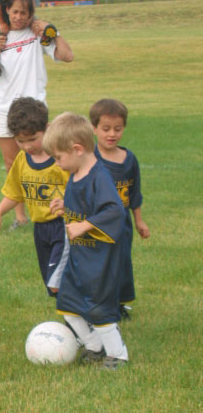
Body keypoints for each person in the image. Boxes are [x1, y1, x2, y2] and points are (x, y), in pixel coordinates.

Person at [0, 0, 73, 228]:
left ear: (31, 13)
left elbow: (67, 56)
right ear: (6, 11)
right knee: (12, 164)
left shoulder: (37, 34)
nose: (19, 17)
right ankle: (20, 217)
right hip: (4, 107)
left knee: (49, 158)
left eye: (23, 12)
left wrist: (54, 33)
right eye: (14, 12)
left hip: (34, 107)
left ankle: (55, 206)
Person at [45, 112, 129, 371]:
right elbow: (84, 206)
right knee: (68, 305)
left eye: (59, 157)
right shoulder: (77, 172)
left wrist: (85, 225)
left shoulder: (99, 177)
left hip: (99, 260)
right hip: (80, 257)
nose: (57, 163)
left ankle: (118, 355)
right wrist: (65, 206)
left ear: (77, 149)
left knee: (98, 308)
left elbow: (114, 211)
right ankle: (94, 346)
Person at [0, 97, 69, 296]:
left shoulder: (60, 159)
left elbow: (81, 187)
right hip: (40, 229)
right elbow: (15, 193)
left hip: (63, 226)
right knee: (52, 284)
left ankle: (86, 310)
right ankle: (73, 312)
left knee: (58, 281)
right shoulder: (22, 160)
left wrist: (69, 204)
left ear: (47, 129)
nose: (26, 146)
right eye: (20, 141)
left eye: (32, 139)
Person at [89, 98, 150, 316]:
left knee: (121, 263)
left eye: (118, 129)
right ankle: (97, 304)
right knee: (99, 265)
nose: (112, 134)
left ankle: (119, 304)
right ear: (94, 128)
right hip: (97, 223)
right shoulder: (89, 159)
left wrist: (139, 221)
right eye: (106, 129)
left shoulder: (129, 159)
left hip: (121, 224)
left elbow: (134, 193)